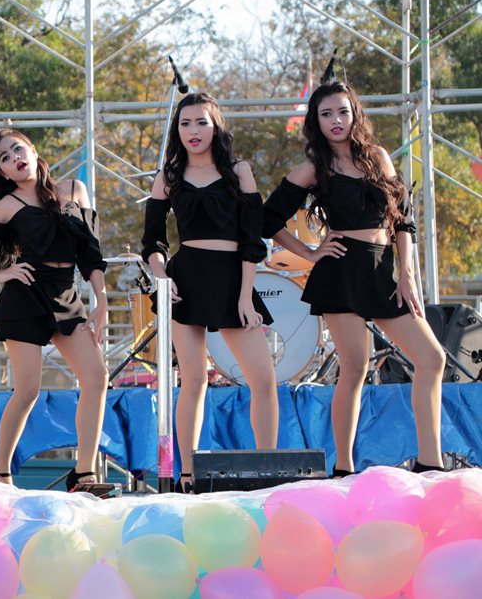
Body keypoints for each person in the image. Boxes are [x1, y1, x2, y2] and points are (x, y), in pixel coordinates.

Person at [263, 79, 445, 475]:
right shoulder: (314, 169)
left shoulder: (378, 157)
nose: (336, 120)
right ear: (316, 121)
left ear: (354, 114)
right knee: (355, 368)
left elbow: (403, 220)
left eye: (342, 112)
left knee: (432, 358)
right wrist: (310, 252)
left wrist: (407, 274)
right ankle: (343, 468)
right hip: (340, 271)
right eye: (326, 114)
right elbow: (267, 219)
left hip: (382, 271)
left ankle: (430, 462)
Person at [0, 128, 109, 491]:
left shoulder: (74, 189)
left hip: (66, 294)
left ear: (33, 150)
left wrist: (101, 301)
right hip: (24, 297)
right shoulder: (8, 205)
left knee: (96, 377)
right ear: (3, 173)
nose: (14, 159)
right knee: (27, 390)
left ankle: (84, 474)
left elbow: (91, 252)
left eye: (17, 149)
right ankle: (2, 472)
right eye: (5, 159)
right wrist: (0, 273)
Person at [141, 92, 279, 493]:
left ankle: (268, 468)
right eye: (185, 123)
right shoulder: (168, 177)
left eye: (201, 121)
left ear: (216, 126)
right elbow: (152, 241)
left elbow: (252, 241)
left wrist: (245, 295)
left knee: (263, 379)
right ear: (177, 130)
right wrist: (162, 279)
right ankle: (188, 474)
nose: (193, 130)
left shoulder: (239, 171)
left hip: (233, 279)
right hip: (185, 280)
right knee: (194, 379)